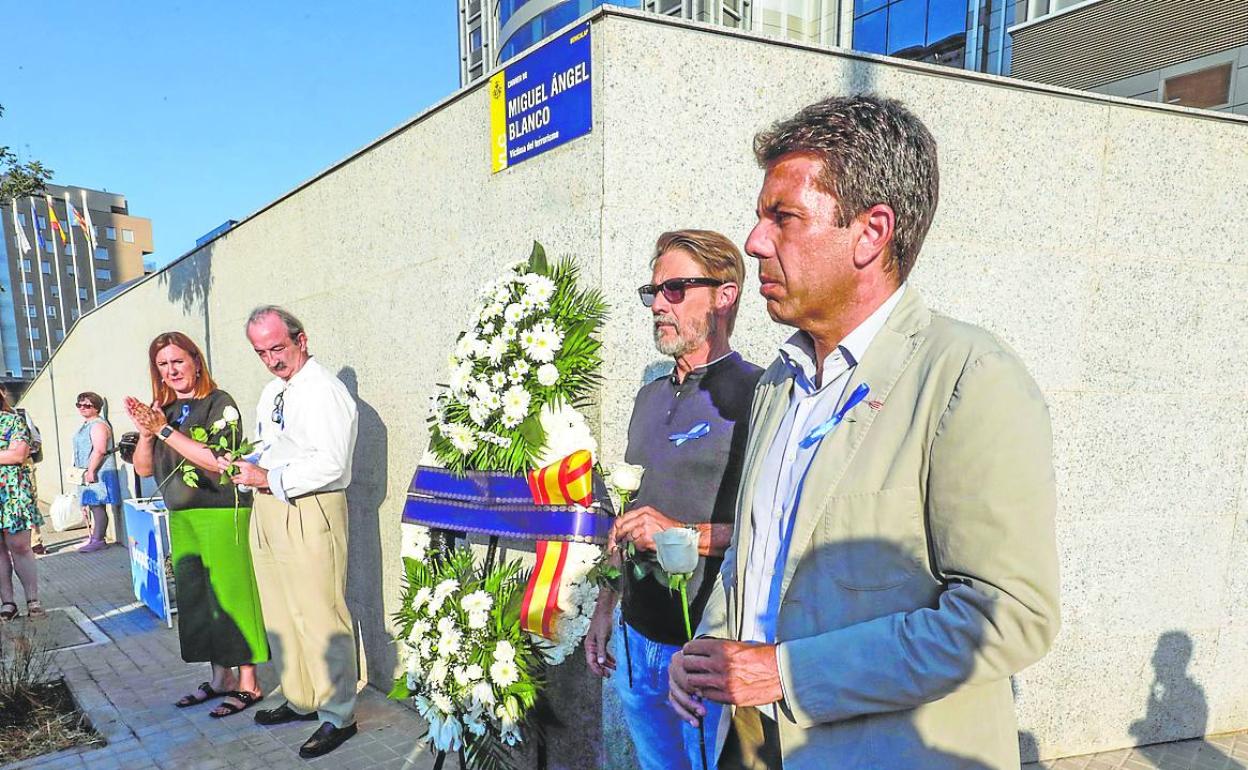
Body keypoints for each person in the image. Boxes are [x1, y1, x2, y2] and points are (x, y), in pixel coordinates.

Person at [668, 94, 1061, 770]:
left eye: (782, 217)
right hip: (747, 740)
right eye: (761, 217)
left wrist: (787, 674)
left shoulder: (969, 377)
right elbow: (752, 559)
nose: (755, 242)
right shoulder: (778, 382)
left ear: (872, 232)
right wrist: (708, 647)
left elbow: (1010, 615)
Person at [584, 230, 762, 770]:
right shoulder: (647, 397)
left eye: (677, 289)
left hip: (704, 647)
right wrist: (604, 608)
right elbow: (626, 517)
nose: (659, 304)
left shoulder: (756, 393)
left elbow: (774, 528)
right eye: (655, 291)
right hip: (636, 641)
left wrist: (682, 537)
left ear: (725, 295)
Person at [220, 306, 360, 759]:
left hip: (309, 505)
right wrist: (247, 466)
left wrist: (268, 478)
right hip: (270, 504)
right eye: (261, 352)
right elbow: (270, 444)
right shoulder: (273, 391)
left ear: (301, 339)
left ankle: (338, 714)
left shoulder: (324, 391)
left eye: (277, 348)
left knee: (320, 614)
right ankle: (302, 699)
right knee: (281, 611)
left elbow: (332, 463)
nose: (271, 359)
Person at [124, 331, 269, 718]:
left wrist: (163, 430)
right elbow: (143, 468)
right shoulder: (165, 411)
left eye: (177, 361)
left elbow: (217, 460)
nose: (171, 371)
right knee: (199, 599)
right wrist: (146, 431)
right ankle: (221, 678)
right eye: (162, 365)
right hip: (182, 515)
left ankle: (249, 683)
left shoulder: (219, 403)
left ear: (195, 360)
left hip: (221, 512)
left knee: (231, 595)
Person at [0, 390, 42, 620]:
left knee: (20, 546)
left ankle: (32, 600)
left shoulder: (13, 420)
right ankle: (7, 603)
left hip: (12, 493)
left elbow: (18, 454)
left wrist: (10, 453)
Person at [72, 391, 120, 553]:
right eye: (79, 404)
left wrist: (91, 471)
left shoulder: (98, 425)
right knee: (92, 505)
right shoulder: (87, 424)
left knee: (97, 505)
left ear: (97, 408)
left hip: (98, 471)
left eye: (87, 405)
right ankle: (94, 537)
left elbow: (99, 450)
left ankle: (99, 539)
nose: (82, 408)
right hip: (87, 470)